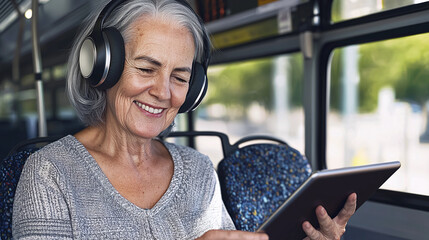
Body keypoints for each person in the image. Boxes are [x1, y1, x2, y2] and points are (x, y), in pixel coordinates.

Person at [12, 0, 356, 239]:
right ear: (103, 68)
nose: (164, 92)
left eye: (180, 77)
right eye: (147, 68)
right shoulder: (49, 174)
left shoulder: (199, 171)